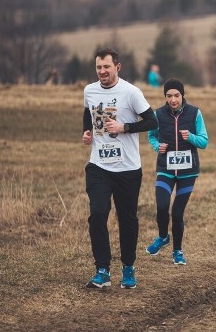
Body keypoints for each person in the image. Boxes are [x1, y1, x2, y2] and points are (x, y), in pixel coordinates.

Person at [82, 48, 158, 289]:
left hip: (127, 169)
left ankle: (128, 267)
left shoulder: (131, 92)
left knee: (127, 220)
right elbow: (88, 112)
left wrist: (124, 128)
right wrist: (87, 132)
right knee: (97, 215)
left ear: (117, 67)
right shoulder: (89, 90)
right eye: (98, 67)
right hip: (99, 166)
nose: (102, 71)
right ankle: (102, 270)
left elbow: (152, 121)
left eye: (106, 67)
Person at [145, 79, 209, 265]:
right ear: (165, 97)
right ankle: (163, 237)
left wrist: (191, 137)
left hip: (187, 172)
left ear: (182, 95)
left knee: (178, 212)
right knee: (162, 206)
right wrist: (158, 146)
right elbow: (151, 135)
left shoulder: (195, 113)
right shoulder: (158, 114)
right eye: (169, 96)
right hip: (165, 169)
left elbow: (204, 142)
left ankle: (177, 251)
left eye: (176, 95)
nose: (173, 99)